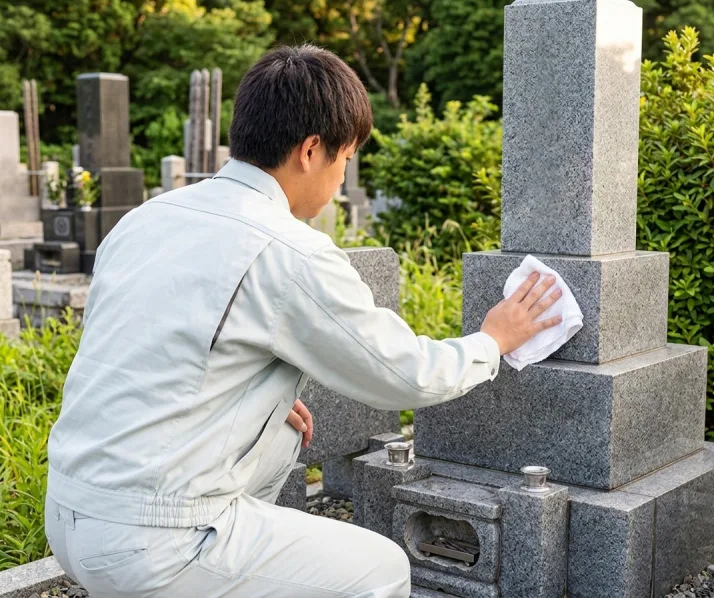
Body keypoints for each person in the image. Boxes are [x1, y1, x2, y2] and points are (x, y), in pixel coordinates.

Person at [44, 44, 563, 598]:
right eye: (346, 160)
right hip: (151, 542)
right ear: (312, 150)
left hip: (72, 512)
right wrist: (493, 339)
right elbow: (403, 373)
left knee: (281, 434)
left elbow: (138, 343)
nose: (342, 178)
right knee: (382, 570)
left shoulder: (147, 217)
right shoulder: (289, 251)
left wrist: (242, 394)